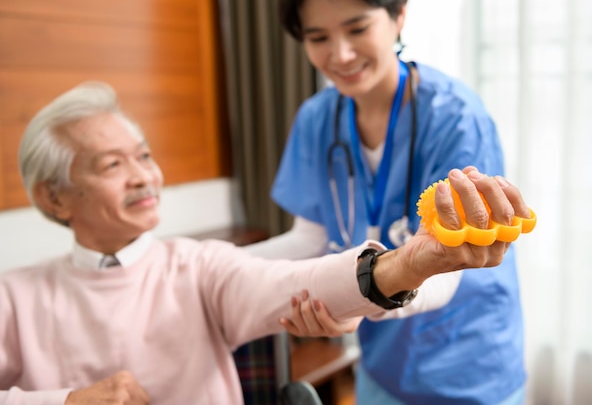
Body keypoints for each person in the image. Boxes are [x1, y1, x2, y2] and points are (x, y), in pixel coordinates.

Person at [0, 81, 531, 405]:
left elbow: (293, 281)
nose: (144, 176)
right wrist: (63, 401)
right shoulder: (15, 296)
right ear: (56, 197)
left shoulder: (199, 267)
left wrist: (412, 263)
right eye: (113, 164)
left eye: (144, 155)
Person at [244, 0, 528, 404]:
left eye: (357, 28)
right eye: (318, 37)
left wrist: (359, 296)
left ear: (398, 17)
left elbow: (448, 270)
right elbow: (310, 239)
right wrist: (210, 265)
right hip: (382, 363)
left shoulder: (454, 119)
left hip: (465, 364)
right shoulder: (317, 119)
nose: (339, 55)